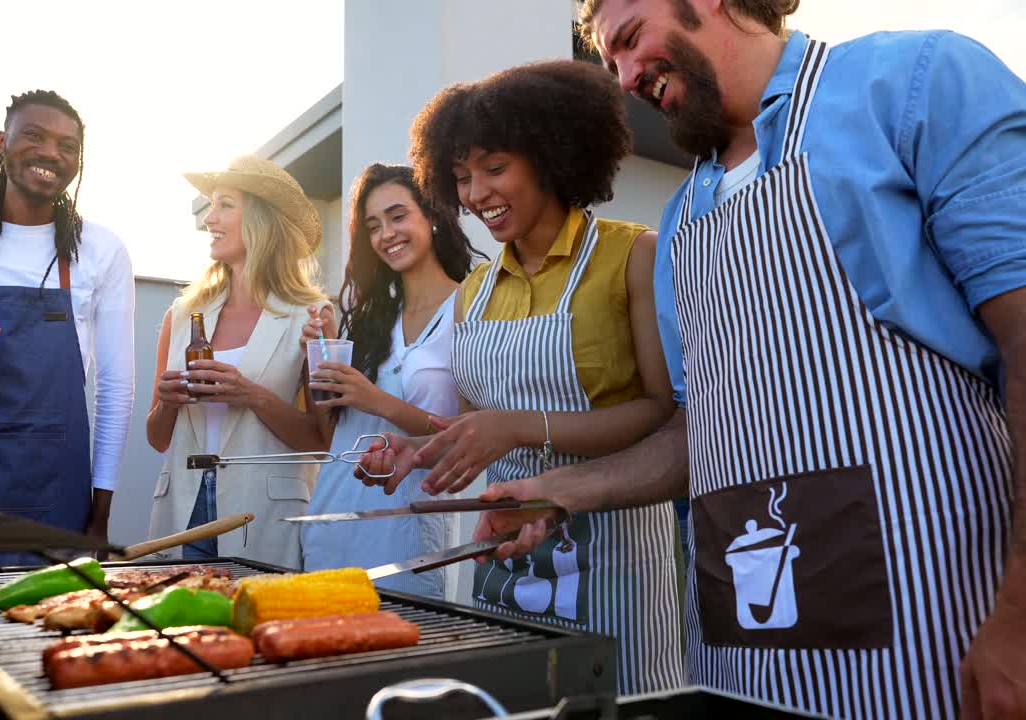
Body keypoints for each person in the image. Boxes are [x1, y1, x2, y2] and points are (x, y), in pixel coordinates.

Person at [465, 2, 1026, 717]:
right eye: (611, 63)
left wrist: (1020, 614)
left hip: (933, 643)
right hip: (742, 652)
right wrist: (560, 491)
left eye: (632, 40)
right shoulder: (681, 222)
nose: (627, 76)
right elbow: (701, 433)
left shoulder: (911, 84)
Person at [360, 60, 684, 694]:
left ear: (551, 155)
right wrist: (420, 448)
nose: (476, 194)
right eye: (461, 178)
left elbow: (660, 413)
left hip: (616, 551)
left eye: (494, 168)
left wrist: (522, 428)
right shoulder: (473, 292)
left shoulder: (634, 255)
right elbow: (482, 425)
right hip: (502, 542)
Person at [0, 90, 135, 563]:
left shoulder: (100, 251)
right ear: (1, 142)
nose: (51, 152)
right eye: (34, 135)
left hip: (55, 498)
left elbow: (116, 389)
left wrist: (100, 516)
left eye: (68, 146)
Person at [299, 163, 484, 599]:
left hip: (409, 533)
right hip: (333, 520)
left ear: (433, 214)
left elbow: (473, 436)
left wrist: (377, 399)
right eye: (373, 225)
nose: (386, 234)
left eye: (398, 216)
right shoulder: (370, 320)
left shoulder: (472, 307)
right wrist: (321, 358)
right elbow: (330, 434)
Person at [146, 155, 331, 569]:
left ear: (262, 219)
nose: (209, 219)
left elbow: (321, 441)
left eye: (224, 204)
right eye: (211, 206)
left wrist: (250, 395)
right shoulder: (181, 315)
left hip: (264, 514)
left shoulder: (312, 316)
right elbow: (157, 438)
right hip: (182, 509)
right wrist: (168, 400)